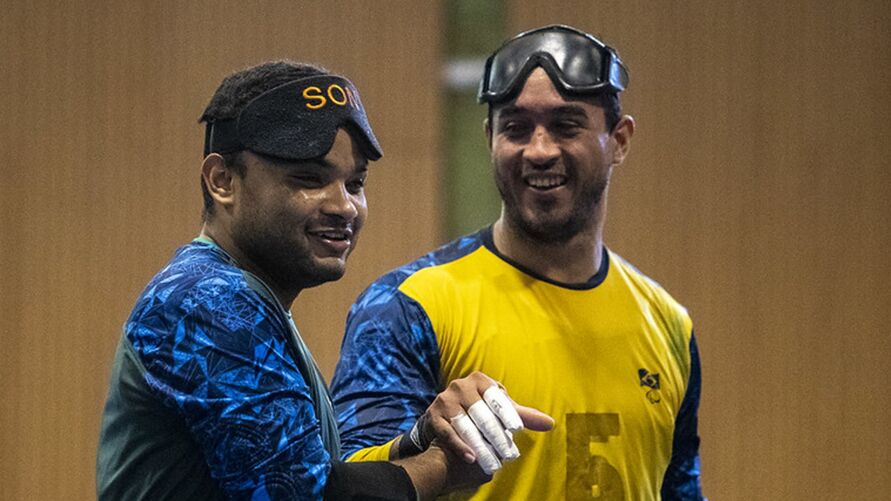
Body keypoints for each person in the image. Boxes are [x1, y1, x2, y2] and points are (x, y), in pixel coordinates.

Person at [96, 60, 550, 500]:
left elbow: (313, 471)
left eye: (355, 184)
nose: (344, 207)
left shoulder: (246, 299)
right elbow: (305, 495)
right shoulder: (207, 301)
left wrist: (420, 439)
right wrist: (449, 466)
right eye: (308, 179)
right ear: (222, 181)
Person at [331, 25, 705, 500]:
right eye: (515, 128)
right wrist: (423, 436)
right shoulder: (408, 305)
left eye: (567, 126)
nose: (540, 150)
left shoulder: (669, 324)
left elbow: (680, 491)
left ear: (620, 139)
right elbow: (347, 485)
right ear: (490, 137)